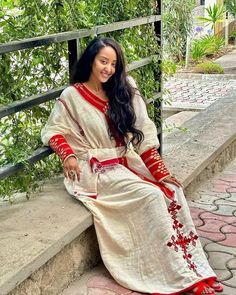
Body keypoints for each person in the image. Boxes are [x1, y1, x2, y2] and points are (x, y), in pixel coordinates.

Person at [41, 37, 223, 295]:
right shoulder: (73, 96)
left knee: (173, 191)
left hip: (126, 161)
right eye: (103, 61)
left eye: (114, 64)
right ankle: (175, 275)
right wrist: (67, 155)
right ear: (91, 60)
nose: (108, 69)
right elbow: (53, 130)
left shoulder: (125, 89)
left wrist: (161, 172)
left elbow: (145, 131)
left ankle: (193, 268)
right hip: (95, 170)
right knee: (150, 196)